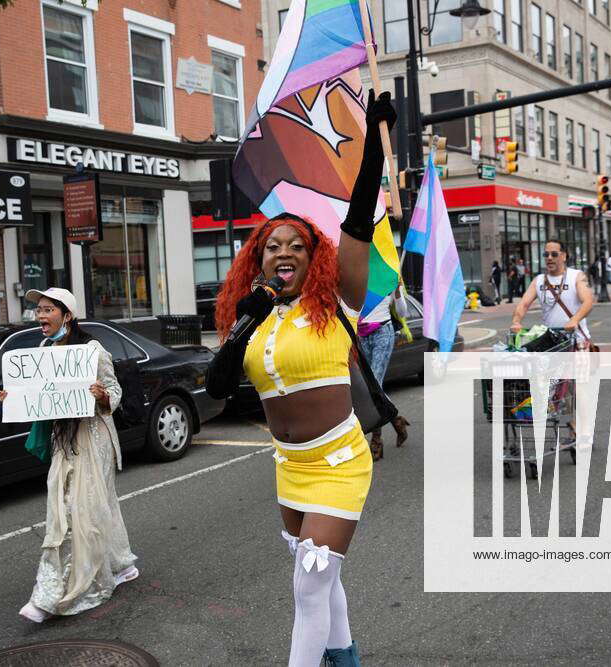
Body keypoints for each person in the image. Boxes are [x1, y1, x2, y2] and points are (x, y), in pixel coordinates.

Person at [204, 90, 395, 666]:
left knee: (307, 588)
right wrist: (244, 327)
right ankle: (347, 660)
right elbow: (215, 388)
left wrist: (376, 150)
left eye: (296, 245)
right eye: (271, 245)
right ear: (257, 259)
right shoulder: (252, 314)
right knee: (322, 580)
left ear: (314, 259)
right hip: (289, 468)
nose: (282, 251)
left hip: (338, 463)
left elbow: (358, 218)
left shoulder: (337, 301)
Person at [0, 287, 138, 623]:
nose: (41, 317)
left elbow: (114, 392)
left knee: (83, 508)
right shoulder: (44, 350)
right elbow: (38, 394)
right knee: (71, 505)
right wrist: (13, 398)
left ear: (67, 315)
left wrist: (103, 395)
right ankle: (121, 564)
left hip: (94, 438)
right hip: (64, 440)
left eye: (48, 310)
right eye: (38, 310)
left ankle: (53, 593)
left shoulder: (92, 350)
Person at [510, 240, 595, 445]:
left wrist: (574, 319)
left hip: (578, 342)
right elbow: (524, 303)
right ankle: (573, 427)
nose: (549, 258)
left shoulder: (577, 276)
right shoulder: (539, 281)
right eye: (546, 254)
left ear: (563, 256)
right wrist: (516, 321)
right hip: (553, 344)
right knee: (558, 391)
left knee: (579, 388)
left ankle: (584, 434)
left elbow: (588, 301)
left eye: (554, 254)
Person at [357, 280, 411, 461]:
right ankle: (397, 421)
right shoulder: (357, 271)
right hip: (361, 335)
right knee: (368, 387)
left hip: (383, 332)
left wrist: (397, 291)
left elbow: (403, 312)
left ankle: (376, 441)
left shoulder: (387, 274)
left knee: (374, 387)